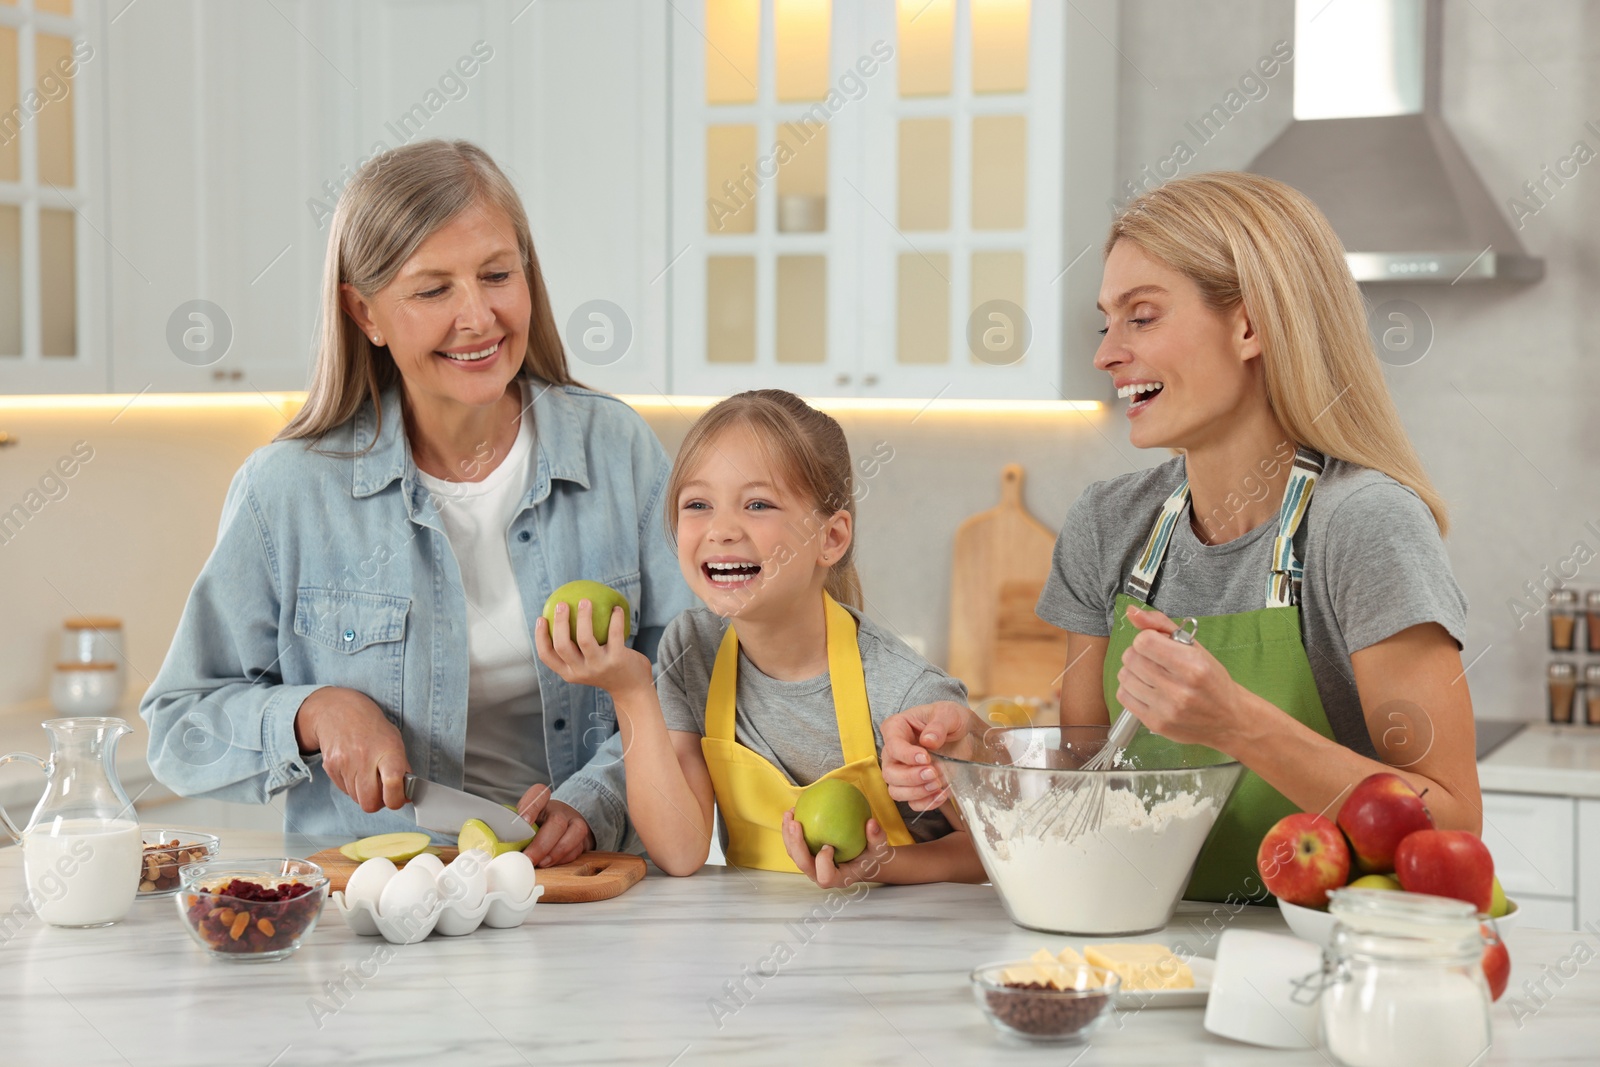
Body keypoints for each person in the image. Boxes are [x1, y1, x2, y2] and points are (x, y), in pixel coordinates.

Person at [880, 172, 1481, 903]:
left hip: (1315, 966)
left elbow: (1449, 826)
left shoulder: (1364, 525)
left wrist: (1239, 725)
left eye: (1141, 317)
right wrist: (971, 749)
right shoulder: (1108, 523)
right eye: (1106, 321)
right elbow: (1087, 790)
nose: (1105, 354)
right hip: (1136, 953)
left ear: (1250, 326)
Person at [140, 140, 694, 865]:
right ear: (365, 312)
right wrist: (314, 711)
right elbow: (178, 726)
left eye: (497, 274)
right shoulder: (286, 492)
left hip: (581, 892)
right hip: (377, 911)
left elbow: (692, 682)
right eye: (432, 290)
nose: (477, 318)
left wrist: (597, 796)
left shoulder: (616, 450)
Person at [533, 390, 984, 886]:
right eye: (698, 503)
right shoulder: (691, 649)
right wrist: (630, 690)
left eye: (757, 504)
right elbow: (680, 849)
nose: (721, 529)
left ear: (831, 538)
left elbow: (995, 852)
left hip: (901, 948)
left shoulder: (903, 692)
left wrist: (883, 864)